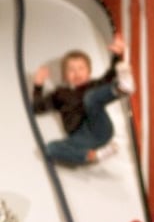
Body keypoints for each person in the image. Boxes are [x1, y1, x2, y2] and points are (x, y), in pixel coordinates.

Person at [32, 32, 135, 166]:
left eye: (81, 68)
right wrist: (38, 86)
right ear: (65, 75)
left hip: (99, 127)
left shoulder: (93, 86)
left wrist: (117, 54)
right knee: (50, 149)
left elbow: (111, 74)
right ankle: (94, 156)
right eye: (71, 70)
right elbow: (37, 108)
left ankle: (122, 89)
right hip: (81, 137)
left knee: (91, 97)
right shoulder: (59, 93)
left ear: (89, 71)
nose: (77, 73)